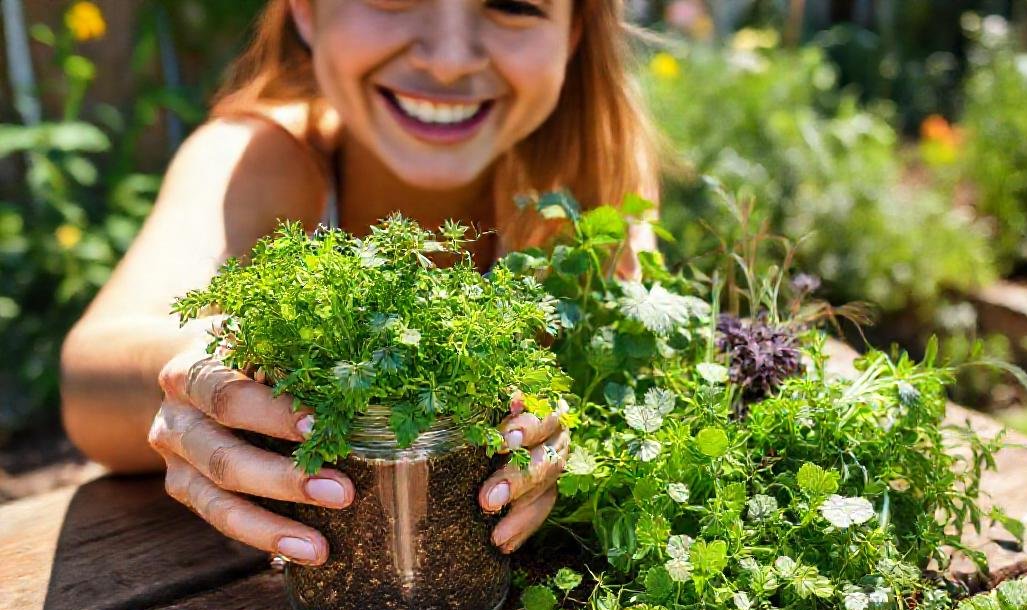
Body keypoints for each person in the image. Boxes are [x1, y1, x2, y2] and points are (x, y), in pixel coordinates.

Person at [59, 0, 660, 566]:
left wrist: (566, 434)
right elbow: (91, 377)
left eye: (513, 3)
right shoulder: (256, 158)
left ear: (572, 33)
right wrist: (206, 373)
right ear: (306, 8)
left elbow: (638, 376)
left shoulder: (591, 178)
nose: (449, 60)